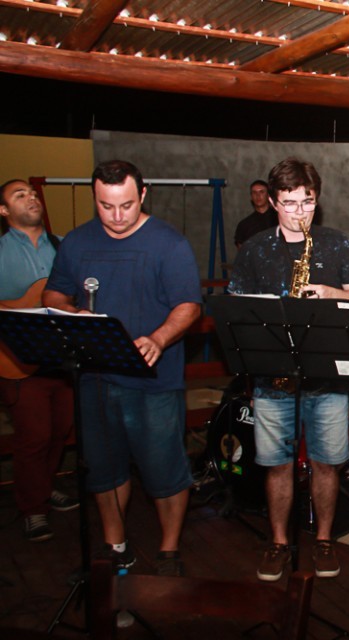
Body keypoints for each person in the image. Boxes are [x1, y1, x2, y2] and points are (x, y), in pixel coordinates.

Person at [43, 160, 202, 576]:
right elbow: (54, 294)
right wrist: (72, 313)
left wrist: (159, 338)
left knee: (164, 470)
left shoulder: (170, 244)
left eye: (126, 205)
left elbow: (189, 305)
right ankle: (116, 545)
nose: (116, 216)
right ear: (95, 198)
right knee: (103, 468)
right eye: (106, 206)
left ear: (143, 195)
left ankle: (169, 550)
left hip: (154, 381)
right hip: (95, 378)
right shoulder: (76, 242)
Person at [229, 158, 349, 582]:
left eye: (307, 202)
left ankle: (323, 539)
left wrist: (329, 293)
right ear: (272, 202)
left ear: (316, 199)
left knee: (327, 463)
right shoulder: (254, 249)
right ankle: (278, 542)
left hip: (327, 378)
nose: (299, 212)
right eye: (289, 203)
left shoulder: (337, 243)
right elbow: (237, 312)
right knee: (277, 465)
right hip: (273, 380)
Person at [0, 179, 78, 542]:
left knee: (60, 431)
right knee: (34, 437)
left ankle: (44, 488)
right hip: (17, 361)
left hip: (60, 360)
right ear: (3, 210)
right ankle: (33, 507)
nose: (31, 197)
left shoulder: (62, 245)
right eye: (20, 195)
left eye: (32, 193)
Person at [234, 179, 278, 248]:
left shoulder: (279, 220)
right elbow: (242, 250)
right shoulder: (244, 225)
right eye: (254, 192)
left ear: (268, 195)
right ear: (251, 196)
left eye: (261, 192)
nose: (258, 195)